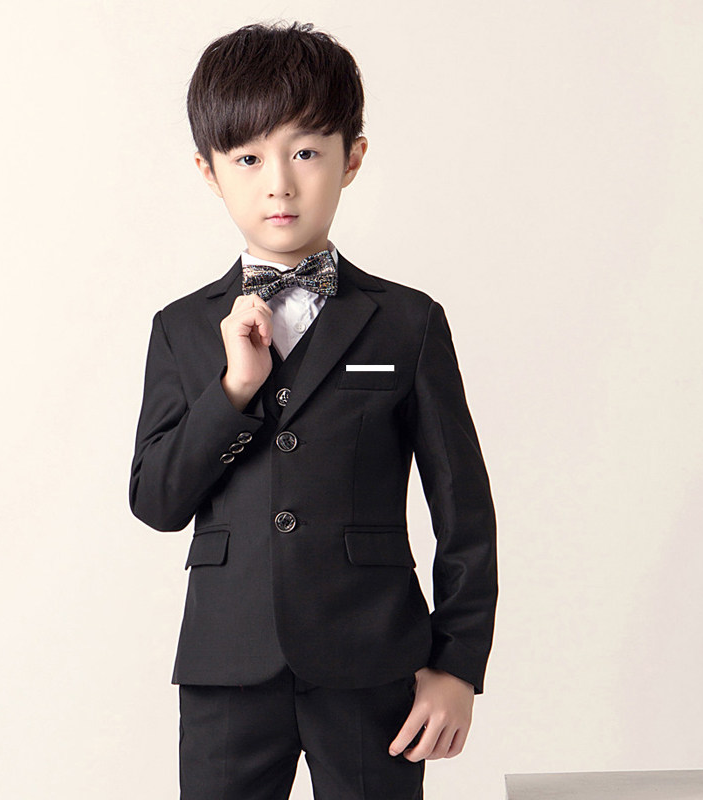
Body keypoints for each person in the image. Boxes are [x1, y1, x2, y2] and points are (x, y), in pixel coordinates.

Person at [129, 20, 498, 800]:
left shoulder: (408, 323)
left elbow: (464, 508)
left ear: (351, 158)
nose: (279, 184)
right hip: (227, 666)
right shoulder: (181, 328)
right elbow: (157, 501)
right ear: (208, 171)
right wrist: (233, 391)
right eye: (248, 158)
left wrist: (458, 665)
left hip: (374, 663)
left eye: (304, 153)